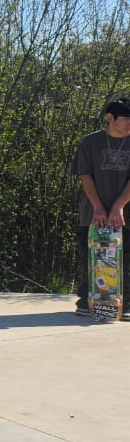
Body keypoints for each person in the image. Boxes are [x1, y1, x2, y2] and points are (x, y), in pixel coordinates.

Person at [72, 97, 130, 318]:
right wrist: (98, 206)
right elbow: (85, 175)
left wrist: (118, 207)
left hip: (125, 213)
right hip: (93, 212)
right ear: (109, 117)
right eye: (126, 118)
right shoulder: (90, 142)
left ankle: (125, 304)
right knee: (92, 257)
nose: (129, 124)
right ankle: (87, 301)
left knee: (126, 260)